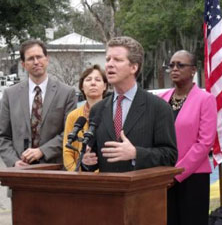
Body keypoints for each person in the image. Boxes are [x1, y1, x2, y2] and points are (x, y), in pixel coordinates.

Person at [82, 36, 177, 172]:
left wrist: (136, 154)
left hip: (142, 190)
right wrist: (87, 162)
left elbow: (170, 156)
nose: (109, 64)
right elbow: (94, 157)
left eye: (118, 60)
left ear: (133, 67)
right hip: (108, 189)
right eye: (108, 59)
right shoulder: (98, 110)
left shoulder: (159, 108)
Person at [160, 50, 217, 225]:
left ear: (193, 70)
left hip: (193, 177)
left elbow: (205, 142)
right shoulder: (161, 99)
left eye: (180, 65)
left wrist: (177, 173)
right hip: (163, 176)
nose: (174, 69)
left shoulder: (205, 99)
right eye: (171, 65)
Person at [0, 39, 77, 167]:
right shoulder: (10, 95)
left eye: (39, 57)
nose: (36, 62)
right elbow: (3, 136)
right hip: (20, 173)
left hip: (54, 170)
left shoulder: (67, 93)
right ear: (23, 64)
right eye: (30, 58)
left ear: (47, 59)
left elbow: (70, 133)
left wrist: (42, 151)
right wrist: (14, 162)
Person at [63, 65, 107, 171]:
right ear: (82, 86)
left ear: (105, 86)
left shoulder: (112, 113)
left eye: (97, 80)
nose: (93, 83)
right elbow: (67, 151)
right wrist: (77, 173)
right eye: (88, 79)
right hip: (78, 177)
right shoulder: (73, 116)